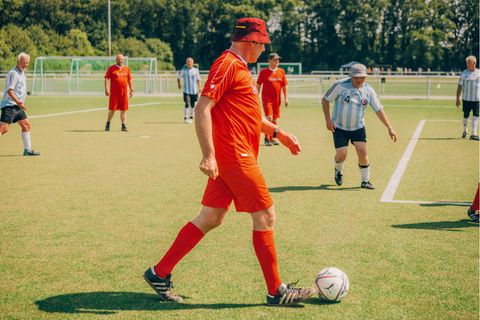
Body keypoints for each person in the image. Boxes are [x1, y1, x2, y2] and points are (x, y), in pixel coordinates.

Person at [143, 17, 315, 306]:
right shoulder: (226, 65)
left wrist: (278, 132)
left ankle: (159, 273)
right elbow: (201, 108)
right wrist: (208, 154)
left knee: (211, 217)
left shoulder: (241, 69)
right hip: (235, 156)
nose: (263, 51)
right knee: (266, 216)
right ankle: (276, 291)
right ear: (251, 42)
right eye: (262, 46)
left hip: (234, 156)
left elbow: (250, 115)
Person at [322, 63, 397, 189]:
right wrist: (328, 120)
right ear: (351, 76)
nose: (359, 80)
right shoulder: (340, 85)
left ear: (366, 77)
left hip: (358, 127)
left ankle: (365, 181)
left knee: (362, 151)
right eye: (356, 77)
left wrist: (390, 127)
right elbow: (325, 100)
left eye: (362, 77)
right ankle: (338, 170)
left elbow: (378, 109)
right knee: (342, 154)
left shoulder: (368, 90)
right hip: (339, 127)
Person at [0, 52, 40, 156]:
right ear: (18, 61)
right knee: (3, 129)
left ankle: (27, 150)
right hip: (10, 105)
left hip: (17, 106)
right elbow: (10, 91)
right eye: (24, 62)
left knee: (26, 125)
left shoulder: (22, 73)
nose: (26, 65)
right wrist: (19, 102)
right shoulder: (13, 73)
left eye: (27, 63)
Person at [256, 53, 288, 146]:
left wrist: (286, 98)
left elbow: (284, 86)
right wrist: (256, 96)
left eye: (278, 60)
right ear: (269, 61)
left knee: (274, 118)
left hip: (277, 99)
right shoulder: (264, 71)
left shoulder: (281, 71)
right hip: (267, 99)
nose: (277, 61)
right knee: (268, 117)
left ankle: (271, 138)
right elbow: (258, 85)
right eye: (275, 59)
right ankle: (266, 138)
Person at [104, 54, 134, 132]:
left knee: (124, 109)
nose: (120, 61)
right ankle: (108, 123)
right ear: (116, 60)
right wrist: (106, 89)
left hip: (124, 93)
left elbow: (129, 80)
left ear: (123, 60)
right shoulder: (111, 68)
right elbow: (107, 78)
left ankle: (123, 125)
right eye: (118, 59)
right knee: (112, 109)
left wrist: (132, 90)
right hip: (114, 94)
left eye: (121, 59)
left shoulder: (127, 69)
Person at [456, 55, 479, 140]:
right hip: (466, 99)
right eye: (467, 63)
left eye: (469, 63)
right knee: (466, 115)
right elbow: (459, 86)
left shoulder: (479, 73)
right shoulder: (464, 73)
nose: (467, 65)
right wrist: (457, 99)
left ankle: (474, 133)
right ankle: (465, 130)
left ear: (474, 63)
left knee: (476, 115)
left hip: (477, 99)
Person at [177, 57, 201, 124]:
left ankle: (191, 117)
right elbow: (178, 78)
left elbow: (198, 80)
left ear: (193, 63)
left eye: (190, 62)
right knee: (187, 104)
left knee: (193, 105)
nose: (189, 63)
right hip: (186, 90)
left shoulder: (196, 70)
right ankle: (185, 117)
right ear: (186, 63)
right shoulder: (184, 70)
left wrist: (199, 87)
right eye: (188, 62)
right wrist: (179, 85)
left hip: (194, 90)